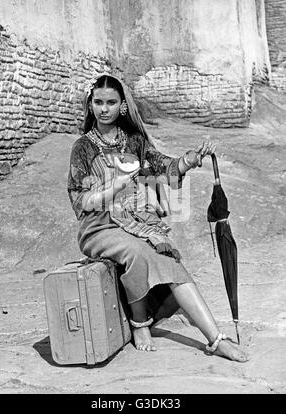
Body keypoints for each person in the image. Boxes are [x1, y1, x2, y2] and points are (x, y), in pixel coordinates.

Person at [67, 73, 249, 362]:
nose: (104, 109)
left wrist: (192, 158)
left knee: (169, 259)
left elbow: (165, 166)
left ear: (122, 106)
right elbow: (79, 200)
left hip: (136, 223)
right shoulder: (83, 148)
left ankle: (216, 339)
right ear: (90, 105)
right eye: (98, 102)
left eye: (111, 102)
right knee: (138, 252)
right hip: (99, 227)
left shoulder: (135, 141)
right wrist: (115, 186)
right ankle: (140, 325)